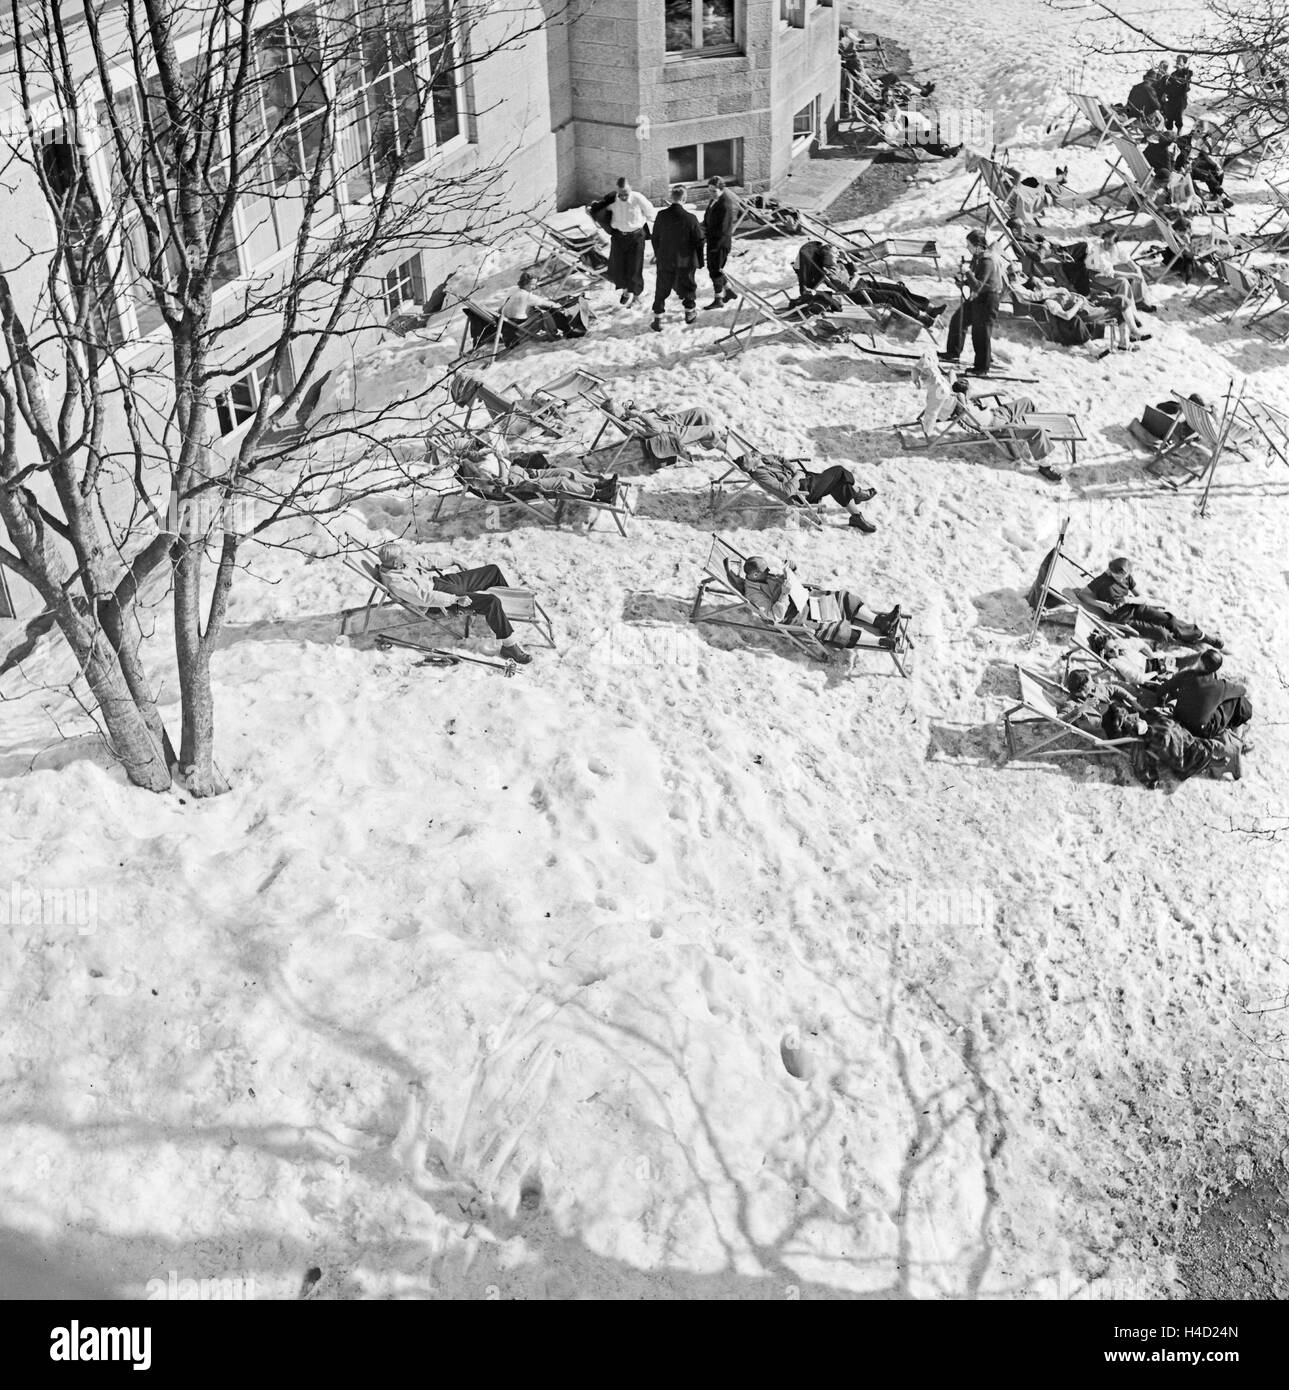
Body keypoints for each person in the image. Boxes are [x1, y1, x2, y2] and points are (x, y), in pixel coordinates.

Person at [376, 540, 532, 665]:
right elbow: (425, 597)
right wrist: (455, 599)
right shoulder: (397, 583)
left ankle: (502, 615)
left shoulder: (400, 562)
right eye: (400, 558)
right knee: (491, 601)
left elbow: (425, 560)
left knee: (492, 571)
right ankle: (509, 646)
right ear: (395, 563)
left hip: (441, 583)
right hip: (440, 600)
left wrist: (452, 560)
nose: (404, 559)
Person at [723, 553, 903, 649]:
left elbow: (781, 572)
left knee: (843, 598)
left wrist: (789, 570)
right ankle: (882, 642)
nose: (769, 571)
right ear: (754, 575)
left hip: (801, 600)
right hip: (793, 617)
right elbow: (774, 617)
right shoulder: (754, 595)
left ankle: (881, 622)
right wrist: (784, 594)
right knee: (835, 628)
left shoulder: (763, 575)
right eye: (765, 571)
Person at [1085, 556, 1222, 647]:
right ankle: (1186, 643)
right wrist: (1101, 605)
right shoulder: (1101, 580)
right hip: (1122, 619)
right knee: (1161, 633)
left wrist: (1127, 599)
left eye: (1125, 576)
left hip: (1134, 607)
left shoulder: (1127, 577)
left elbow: (1142, 597)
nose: (1123, 579)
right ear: (1112, 571)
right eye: (1119, 577)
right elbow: (1082, 594)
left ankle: (1202, 637)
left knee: (1170, 621)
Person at [736, 448, 880, 532]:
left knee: (840, 484)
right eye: (748, 457)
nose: (751, 453)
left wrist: (791, 467)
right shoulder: (761, 474)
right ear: (752, 467)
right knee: (839, 472)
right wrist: (797, 476)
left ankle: (856, 515)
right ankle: (857, 494)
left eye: (749, 453)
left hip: (808, 479)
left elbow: (779, 458)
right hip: (803, 492)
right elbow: (785, 492)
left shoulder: (763, 459)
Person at [1102, 703, 1244, 786]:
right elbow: (1140, 764)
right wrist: (1150, 779)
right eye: (1128, 717)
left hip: (1178, 738)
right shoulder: (1135, 741)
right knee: (1178, 737)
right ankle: (1211, 760)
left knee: (1178, 732)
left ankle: (1212, 758)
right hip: (1177, 749)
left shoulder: (1138, 726)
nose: (1132, 716)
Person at [940, 228, 1004, 376]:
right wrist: (964, 282)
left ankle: (981, 368)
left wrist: (967, 273)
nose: (967, 248)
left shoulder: (987, 260)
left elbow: (978, 285)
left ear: (978, 246)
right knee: (958, 320)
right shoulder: (979, 257)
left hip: (988, 300)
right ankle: (953, 352)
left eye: (969, 245)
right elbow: (978, 282)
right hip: (978, 296)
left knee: (980, 333)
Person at [1156, 649, 1252, 738]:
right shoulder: (1220, 686)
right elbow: (1242, 690)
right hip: (1201, 731)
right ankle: (1238, 739)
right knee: (1240, 702)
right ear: (1215, 670)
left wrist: (1162, 702)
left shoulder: (1187, 675)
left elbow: (1162, 689)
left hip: (1179, 718)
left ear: (1200, 660)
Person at [649, 184, 705, 331]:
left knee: (661, 289)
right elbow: (700, 240)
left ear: (671, 198)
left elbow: (655, 238)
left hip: (665, 259)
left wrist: (658, 254)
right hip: (685, 261)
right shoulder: (691, 218)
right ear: (684, 199)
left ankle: (658, 319)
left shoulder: (661, 216)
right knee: (688, 286)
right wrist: (699, 260)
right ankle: (689, 313)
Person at [606, 399, 726, 465]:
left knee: (700, 412)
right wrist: (638, 414)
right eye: (619, 407)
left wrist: (632, 404)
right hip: (670, 435)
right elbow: (655, 430)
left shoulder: (627, 416)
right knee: (709, 430)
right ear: (617, 414)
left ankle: (712, 441)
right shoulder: (629, 425)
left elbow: (638, 409)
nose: (621, 406)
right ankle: (728, 450)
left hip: (667, 422)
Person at [603, 177, 656, 306]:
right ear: (617, 191)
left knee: (635, 267)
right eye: (621, 194)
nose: (623, 197)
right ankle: (626, 291)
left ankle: (637, 296)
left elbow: (651, 213)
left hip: (636, 237)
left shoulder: (638, 198)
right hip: (618, 237)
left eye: (626, 194)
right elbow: (600, 210)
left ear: (630, 189)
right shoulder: (612, 199)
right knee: (619, 266)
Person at [497, 271, 585, 345]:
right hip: (518, 326)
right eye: (532, 285)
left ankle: (566, 329)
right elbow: (545, 303)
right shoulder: (526, 296)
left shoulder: (513, 289)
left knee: (536, 307)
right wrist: (557, 305)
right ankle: (567, 331)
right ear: (526, 283)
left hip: (506, 322)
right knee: (548, 312)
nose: (534, 287)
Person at [1086, 229, 1157, 310]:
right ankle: (1130, 307)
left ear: (1115, 243)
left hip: (1108, 269)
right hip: (1095, 274)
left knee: (1136, 269)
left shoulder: (1115, 247)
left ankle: (1139, 299)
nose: (1106, 245)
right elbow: (1109, 272)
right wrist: (1131, 275)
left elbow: (1126, 257)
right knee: (1123, 281)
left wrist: (1135, 268)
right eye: (1105, 242)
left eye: (1109, 244)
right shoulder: (1097, 250)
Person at [702, 175, 737, 308]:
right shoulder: (714, 201)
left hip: (720, 243)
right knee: (715, 269)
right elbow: (707, 219)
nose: (711, 194)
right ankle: (728, 291)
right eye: (709, 190)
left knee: (715, 270)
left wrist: (705, 234)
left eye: (714, 191)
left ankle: (718, 299)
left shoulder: (725, 204)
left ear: (722, 190)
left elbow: (722, 229)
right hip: (713, 241)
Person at [1161, 54, 1192, 132]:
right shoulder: (1173, 74)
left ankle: (1179, 131)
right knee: (1169, 115)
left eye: (1179, 61)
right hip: (1172, 98)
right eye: (1177, 60)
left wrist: (1181, 70)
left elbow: (1186, 84)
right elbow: (1169, 85)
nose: (1177, 62)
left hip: (1180, 99)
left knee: (1178, 116)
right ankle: (1169, 133)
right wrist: (1165, 93)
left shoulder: (1187, 72)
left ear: (1184, 63)